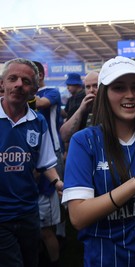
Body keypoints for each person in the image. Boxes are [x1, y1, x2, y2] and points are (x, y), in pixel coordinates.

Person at [61, 56, 135, 266]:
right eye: (119, 88)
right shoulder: (85, 141)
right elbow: (78, 216)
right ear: (105, 94)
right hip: (107, 259)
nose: (130, 95)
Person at [0, 58, 63, 267]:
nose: (19, 84)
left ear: (34, 89)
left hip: (28, 211)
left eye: (26, 81)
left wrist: (57, 183)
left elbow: (45, 163)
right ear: (2, 84)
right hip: (2, 215)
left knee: (31, 261)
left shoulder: (38, 122)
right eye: (12, 79)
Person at [33, 61, 64, 267]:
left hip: (52, 148)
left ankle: (61, 234)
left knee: (56, 189)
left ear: (40, 76)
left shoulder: (51, 91)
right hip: (32, 150)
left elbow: (41, 104)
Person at [59, 71, 99, 143]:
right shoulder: (79, 107)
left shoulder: (112, 106)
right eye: (88, 87)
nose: (91, 90)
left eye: (96, 86)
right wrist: (80, 110)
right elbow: (64, 136)